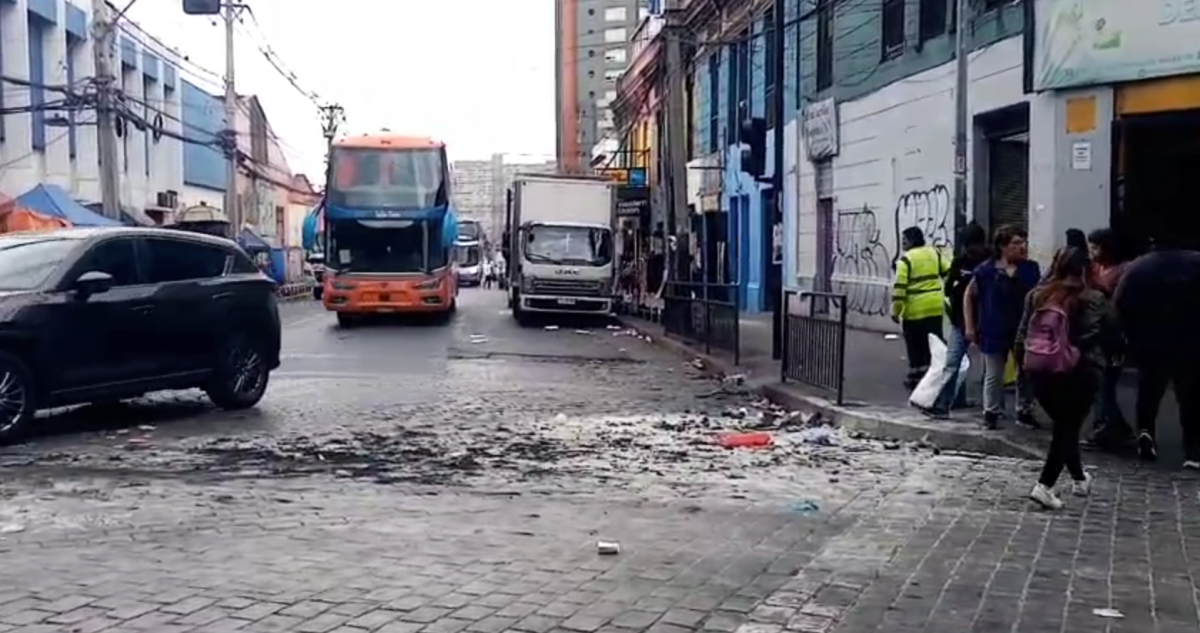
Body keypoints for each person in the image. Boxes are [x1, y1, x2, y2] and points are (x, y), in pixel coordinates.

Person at [1016, 247, 1107, 509]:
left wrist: (1025, 369)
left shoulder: (1037, 295)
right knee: (1066, 429)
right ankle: (1044, 486)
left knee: (1065, 427)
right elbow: (1103, 332)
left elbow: (1022, 335)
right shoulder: (1092, 299)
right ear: (1085, 269)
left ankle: (1079, 478)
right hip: (1080, 371)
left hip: (1041, 370)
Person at [1113, 234, 1200, 467]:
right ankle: (1193, 450)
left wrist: (1128, 334)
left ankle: (1146, 434)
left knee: (1149, 390)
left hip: (1149, 340)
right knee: (1190, 395)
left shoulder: (1140, 266)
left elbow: (1120, 302)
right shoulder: (1196, 262)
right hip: (1190, 339)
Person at [963, 225, 1041, 430]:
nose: (1022, 247)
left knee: (1026, 372)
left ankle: (1024, 410)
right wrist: (970, 326)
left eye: (1024, 242)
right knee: (994, 373)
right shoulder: (986, 271)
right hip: (994, 328)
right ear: (1003, 246)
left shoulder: (1030, 269)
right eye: (1016, 243)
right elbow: (969, 296)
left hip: (1022, 329)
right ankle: (991, 412)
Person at [922, 222, 989, 418]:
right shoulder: (960, 262)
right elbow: (949, 288)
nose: (970, 249)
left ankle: (993, 407)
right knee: (952, 362)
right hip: (961, 320)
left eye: (973, 244)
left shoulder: (989, 263)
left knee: (991, 367)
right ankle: (943, 404)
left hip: (985, 320)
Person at [1084, 227, 1130, 449]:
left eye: (1095, 247)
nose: (1092, 252)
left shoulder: (1123, 271)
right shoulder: (1093, 268)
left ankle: (1105, 428)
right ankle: (1116, 427)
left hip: (1112, 333)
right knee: (1100, 384)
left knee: (1104, 383)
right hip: (1094, 332)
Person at [892, 227, 951, 390]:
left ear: (912, 241)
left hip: (914, 309)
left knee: (915, 344)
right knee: (933, 343)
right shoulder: (934, 253)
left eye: (904, 240)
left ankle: (916, 377)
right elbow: (948, 271)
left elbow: (900, 288)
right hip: (935, 306)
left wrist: (896, 310)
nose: (902, 243)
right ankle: (935, 375)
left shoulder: (905, 260)